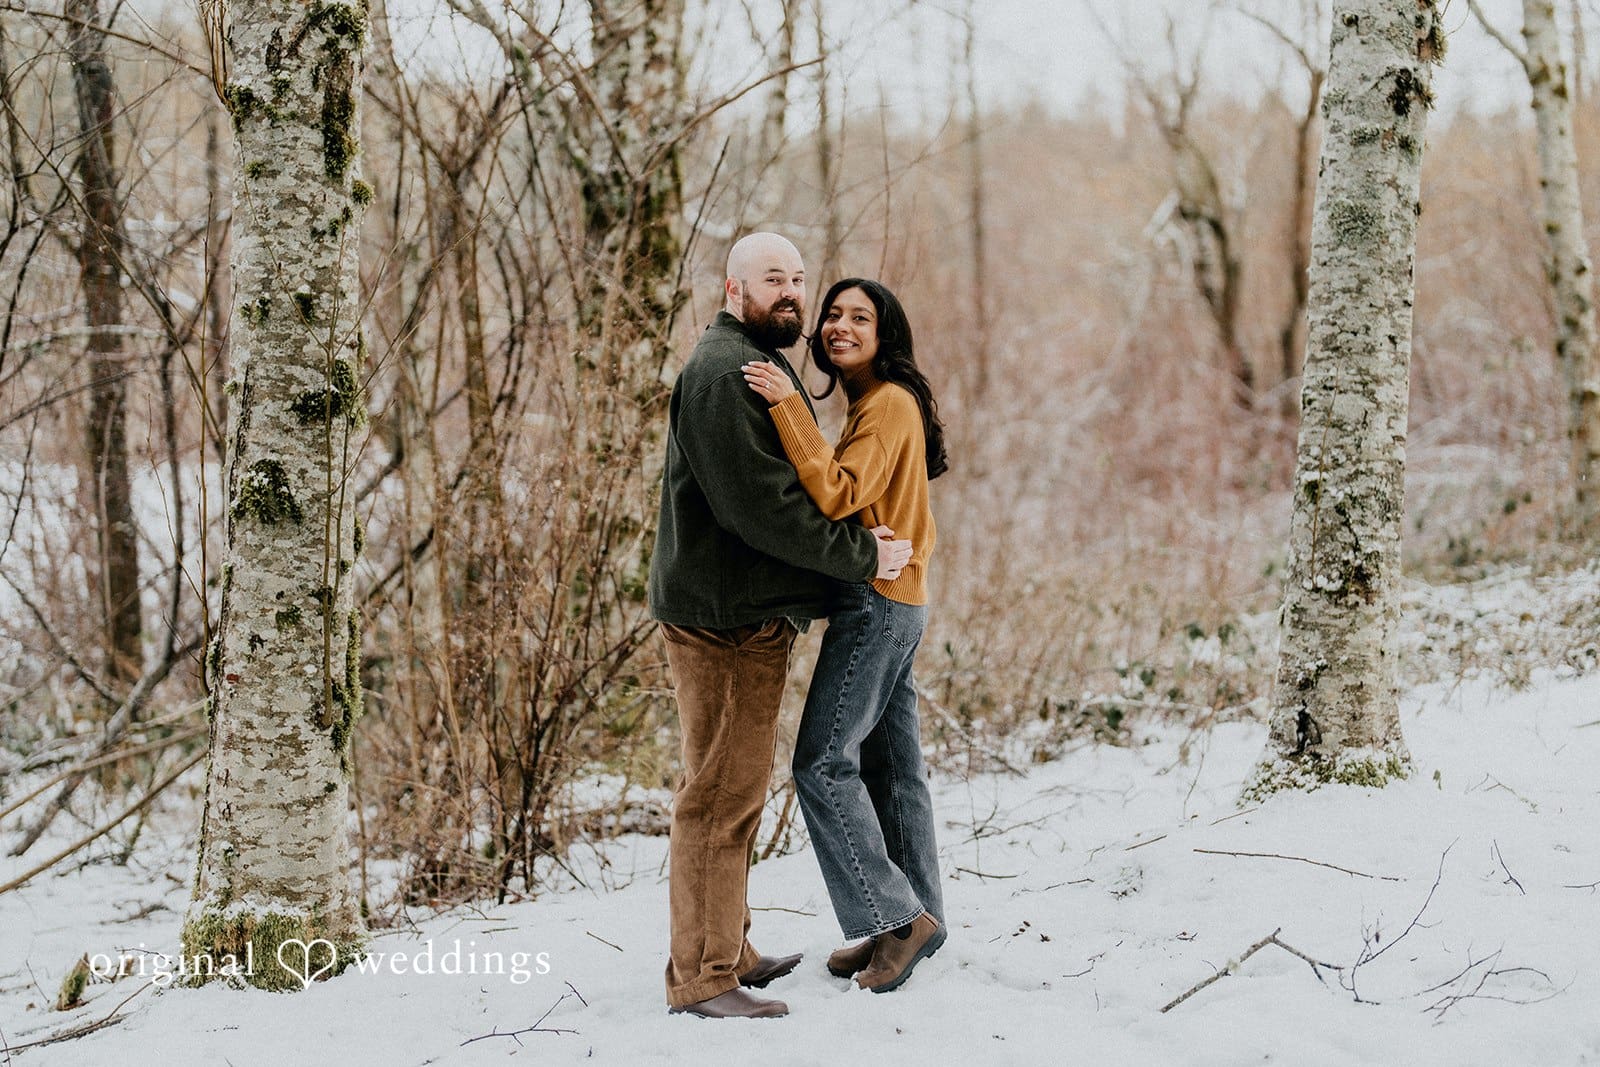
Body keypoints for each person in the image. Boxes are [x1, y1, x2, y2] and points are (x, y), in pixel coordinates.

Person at [648, 234, 914, 1020]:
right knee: (720, 798)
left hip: (737, 609)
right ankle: (702, 975)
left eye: (798, 278)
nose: (792, 292)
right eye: (774, 279)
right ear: (735, 287)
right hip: (728, 621)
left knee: (729, 790)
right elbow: (762, 509)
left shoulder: (750, 357)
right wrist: (861, 554)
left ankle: (727, 947)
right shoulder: (724, 373)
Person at [742, 277, 948, 995]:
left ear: (885, 334)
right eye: (832, 313)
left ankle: (896, 918)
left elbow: (837, 492)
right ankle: (916, 916)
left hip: (878, 602)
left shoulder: (888, 403)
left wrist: (788, 408)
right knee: (894, 769)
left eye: (860, 316)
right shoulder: (878, 403)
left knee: (823, 763)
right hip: (900, 599)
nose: (839, 325)